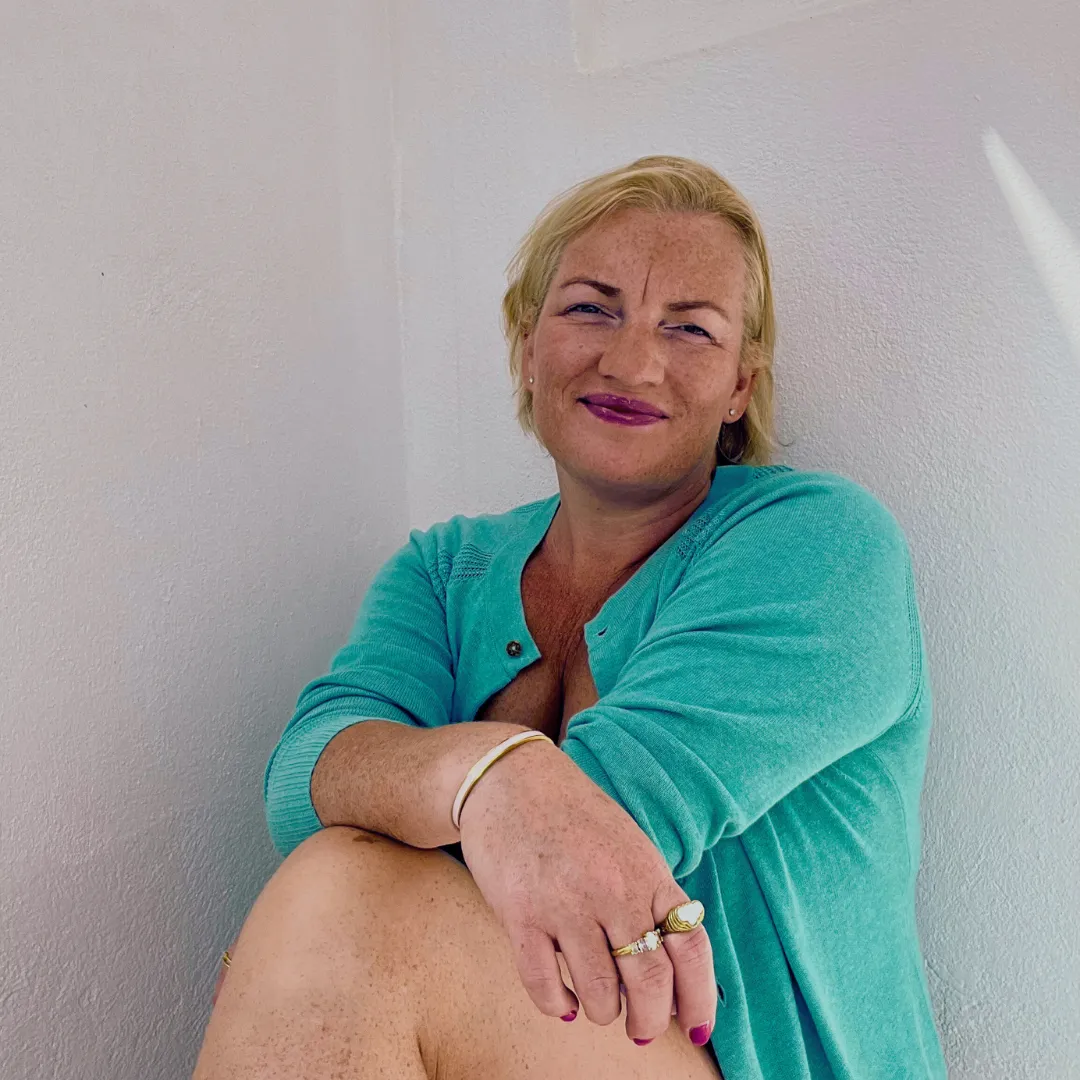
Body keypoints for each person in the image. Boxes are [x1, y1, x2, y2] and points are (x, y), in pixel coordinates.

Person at [192, 155, 947, 1080]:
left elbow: (599, 826)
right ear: (526, 346)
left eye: (691, 329)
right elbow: (305, 776)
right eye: (591, 308)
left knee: (342, 903)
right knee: (336, 889)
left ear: (740, 389)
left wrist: (403, 808)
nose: (632, 361)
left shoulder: (819, 547)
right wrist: (488, 775)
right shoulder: (445, 567)